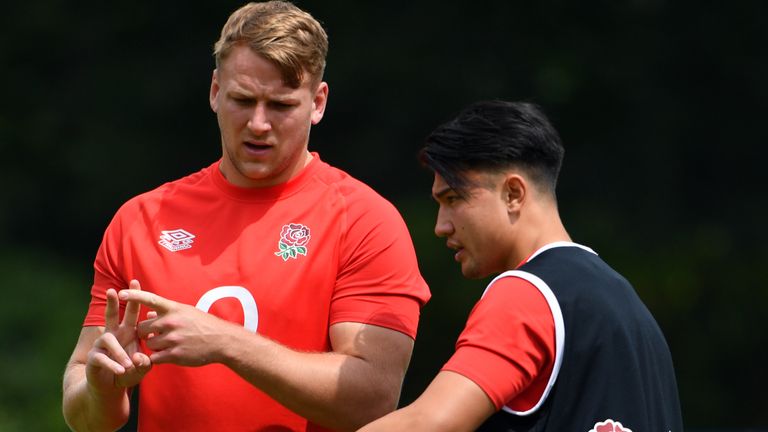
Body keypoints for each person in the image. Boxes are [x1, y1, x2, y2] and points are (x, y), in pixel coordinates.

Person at [61, 2, 430, 431]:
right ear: (216, 91)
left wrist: (225, 342)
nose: (258, 123)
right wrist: (101, 391)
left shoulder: (365, 221)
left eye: (280, 105)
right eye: (242, 99)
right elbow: (83, 410)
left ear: (318, 102)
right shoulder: (140, 219)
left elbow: (373, 399)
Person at [358, 100, 683, 431]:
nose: (441, 225)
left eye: (453, 199)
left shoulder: (527, 294)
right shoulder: (632, 309)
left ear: (513, 193)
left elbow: (428, 424)